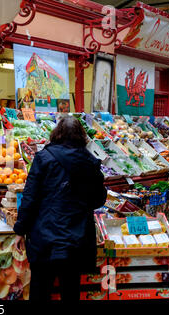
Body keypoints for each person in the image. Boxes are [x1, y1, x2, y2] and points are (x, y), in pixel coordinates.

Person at [13, 115, 107, 301]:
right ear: (81, 135)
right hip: (76, 240)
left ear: (56, 134)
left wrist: (19, 230)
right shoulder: (90, 161)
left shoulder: (43, 158)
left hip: (44, 238)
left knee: (40, 289)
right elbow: (99, 199)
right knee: (70, 290)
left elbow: (30, 197)